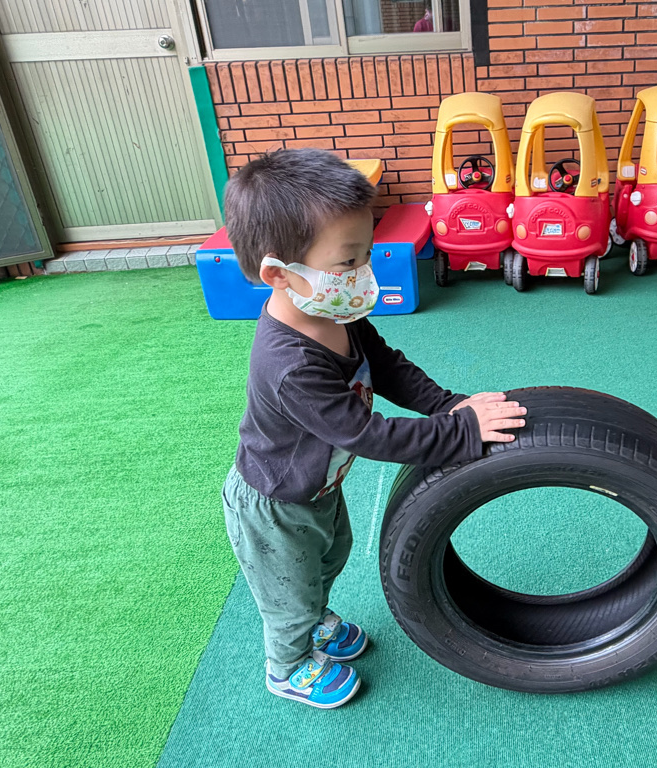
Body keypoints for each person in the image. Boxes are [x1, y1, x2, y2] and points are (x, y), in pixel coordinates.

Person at [221, 149, 527, 709]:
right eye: (348, 261)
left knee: (329, 558)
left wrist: (448, 406)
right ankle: (286, 666)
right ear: (279, 274)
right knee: (288, 596)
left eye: (365, 254)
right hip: (275, 503)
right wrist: (460, 434)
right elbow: (368, 434)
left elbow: (387, 368)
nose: (364, 274)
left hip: (318, 487)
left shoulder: (334, 311)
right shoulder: (290, 365)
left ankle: (315, 617)